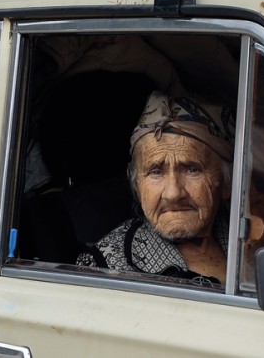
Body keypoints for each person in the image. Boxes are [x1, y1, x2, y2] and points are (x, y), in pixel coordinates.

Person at [77, 90, 236, 288]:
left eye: (192, 169)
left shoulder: (249, 241)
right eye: (156, 172)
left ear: (227, 183)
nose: (173, 193)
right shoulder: (103, 270)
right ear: (137, 185)